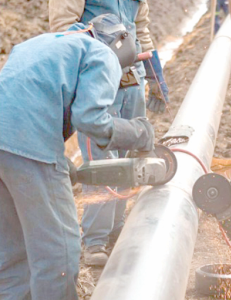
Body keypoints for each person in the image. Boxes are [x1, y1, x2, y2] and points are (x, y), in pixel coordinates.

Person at [0, 14, 155, 300]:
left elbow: (25, 99)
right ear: (121, 43)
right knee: (59, 251)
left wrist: (58, 158)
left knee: (14, 251)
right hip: (28, 145)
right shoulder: (102, 54)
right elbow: (90, 119)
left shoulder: (47, 43)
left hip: (10, 146)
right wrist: (137, 133)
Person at [49, 0, 170, 266]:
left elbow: (141, 28)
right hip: (98, 76)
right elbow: (62, 29)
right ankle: (95, 239)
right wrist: (102, 42)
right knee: (101, 157)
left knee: (131, 156)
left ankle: (117, 225)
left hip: (132, 77)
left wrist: (154, 74)